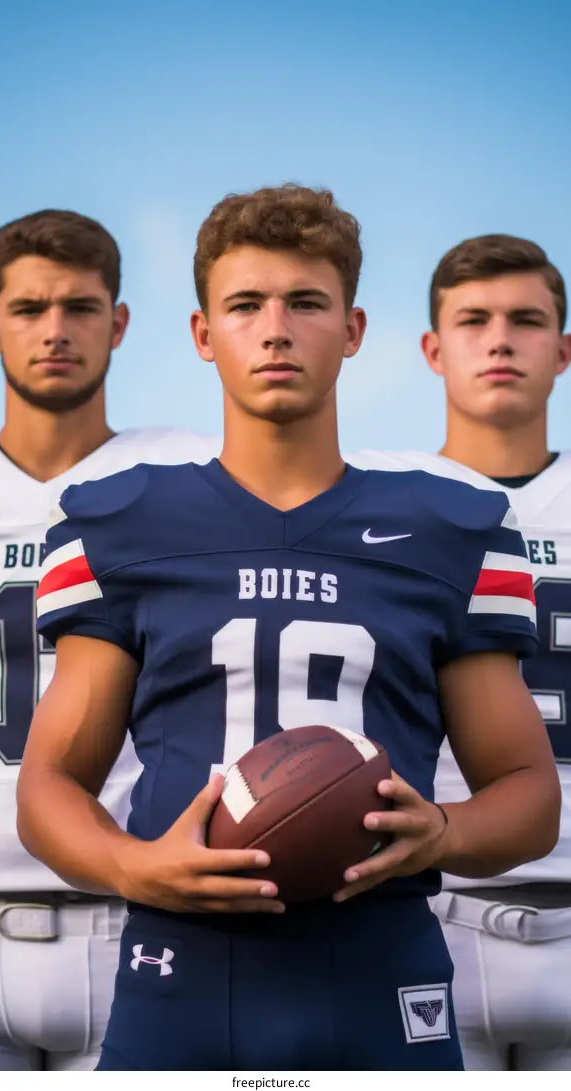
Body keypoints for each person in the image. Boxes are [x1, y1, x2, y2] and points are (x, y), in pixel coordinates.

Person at [17, 187, 559, 1072]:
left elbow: (529, 792)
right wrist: (130, 866)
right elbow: (50, 781)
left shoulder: (451, 529)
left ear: (353, 329)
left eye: (306, 303)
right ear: (203, 334)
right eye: (245, 305)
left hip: (381, 972)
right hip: (179, 974)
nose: (275, 331)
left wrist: (444, 832)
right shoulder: (120, 522)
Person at [0, 209, 216, 1071]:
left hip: (140, 908)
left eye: (79, 307)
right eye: (29, 309)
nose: (55, 330)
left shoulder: (184, 475)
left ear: (118, 323)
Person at [356, 234, 571, 1070]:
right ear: (433, 349)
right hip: (430, 900)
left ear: (562, 350)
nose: (500, 340)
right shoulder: (380, 506)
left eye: (526, 320)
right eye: (474, 320)